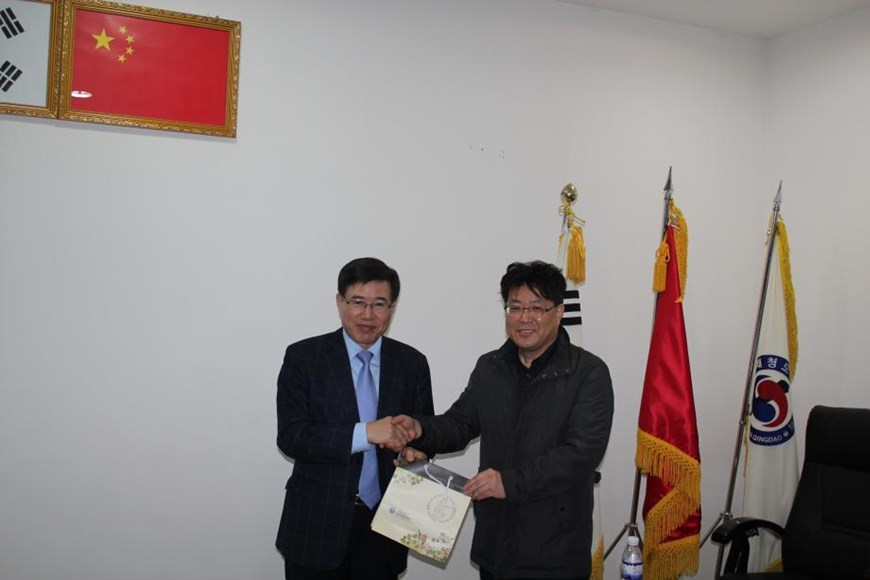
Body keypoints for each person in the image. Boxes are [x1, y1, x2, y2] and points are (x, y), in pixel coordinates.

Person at [392, 260, 614, 580]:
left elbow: (581, 454)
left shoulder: (588, 373)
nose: (524, 318)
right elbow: (460, 424)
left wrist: (508, 482)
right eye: (515, 307)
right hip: (495, 542)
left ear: (559, 312)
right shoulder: (490, 367)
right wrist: (420, 428)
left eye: (536, 307)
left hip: (555, 550)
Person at [275, 257, 434, 580]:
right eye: (358, 302)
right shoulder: (304, 357)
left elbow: (424, 435)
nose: (368, 314)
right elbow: (292, 436)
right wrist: (366, 433)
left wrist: (415, 453)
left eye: (379, 304)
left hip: (386, 527)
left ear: (392, 308)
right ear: (340, 302)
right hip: (317, 526)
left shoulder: (412, 363)